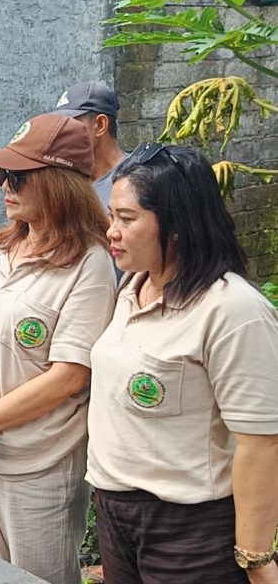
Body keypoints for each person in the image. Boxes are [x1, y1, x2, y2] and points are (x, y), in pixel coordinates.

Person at [87, 143, 278, 584]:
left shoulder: (232, 310)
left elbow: (261, 442)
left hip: (188, 529)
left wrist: (254, 556)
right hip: (115, 512)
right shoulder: (132, 287)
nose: (112, 231)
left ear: (177, 225)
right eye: (111, 216)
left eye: (127, 219)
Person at [0, 113, 116, 584]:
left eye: (18, 176)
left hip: (38, 466)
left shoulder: (88, 265)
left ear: (59, 183)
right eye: (2, 174)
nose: (5, 186)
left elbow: (68, 375)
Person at [51, 80, 127, 207]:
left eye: (69, 125)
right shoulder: (66, 182)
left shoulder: (141, 179)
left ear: (101, 125)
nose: (60, 134)